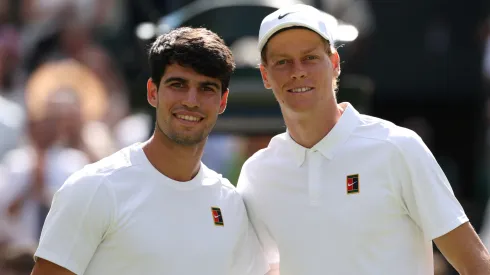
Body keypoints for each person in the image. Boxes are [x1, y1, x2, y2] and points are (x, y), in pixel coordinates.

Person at [236, 4, 490, 275]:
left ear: (334, 64)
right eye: (282, 62)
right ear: (265, 75)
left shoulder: (397, 148)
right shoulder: (258, 173)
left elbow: (475, 264)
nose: (297, 71)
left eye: (309, 58)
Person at [30, 27, 269, 275]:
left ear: (222, 101)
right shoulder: (95, 188)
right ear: (153, 92)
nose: (191, 100)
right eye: (178, 84)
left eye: (206, 88)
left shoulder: (229, 204)